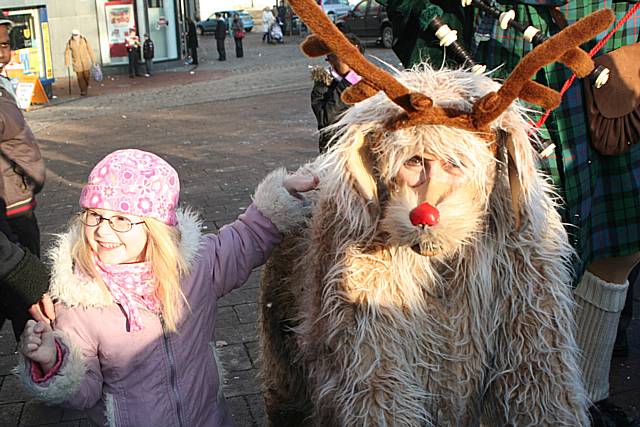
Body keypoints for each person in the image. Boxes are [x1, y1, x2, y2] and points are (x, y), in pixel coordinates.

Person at [380, 1, 640, 425]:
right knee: (507, 248)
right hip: (501, 52)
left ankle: (584, 400)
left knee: (614, 249)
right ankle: (504, 404)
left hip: (605, 42)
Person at [15, 149, 317, 426]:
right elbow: (85, 391)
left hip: (208, 418)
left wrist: (282, 196)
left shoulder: (194, 267)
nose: (103, 231)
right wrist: (53, 360)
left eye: (121, 219)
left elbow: (245, 239)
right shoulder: (80, 300)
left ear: (156, 228)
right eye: (95, 215)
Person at [0, 16, 46, 258]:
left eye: (5, 45)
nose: (1, 54)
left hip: (17, 194)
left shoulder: (3, 83)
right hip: (9, 203)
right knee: (25, 272)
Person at [310, 33, 363, 153]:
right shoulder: (323, 83)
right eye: (343, 55)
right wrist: (346, 84)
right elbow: (326, 118)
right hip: (336, 152)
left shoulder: (368, 82)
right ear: (330, 59)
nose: (349, 60)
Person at [64, 29, 97, 96]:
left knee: (87, 76)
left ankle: (86, 86)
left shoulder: (84, 40)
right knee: (80, 78)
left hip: (85, 62)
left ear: (79, 35)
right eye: (73, 35)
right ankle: (83, 90)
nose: (75, 37)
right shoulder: (70, 42)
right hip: (77, 63)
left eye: (76, 35)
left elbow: (90, 50)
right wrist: (67, 62)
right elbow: (67, 52)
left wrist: (94, 60)